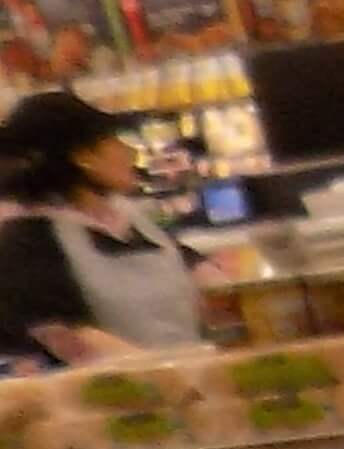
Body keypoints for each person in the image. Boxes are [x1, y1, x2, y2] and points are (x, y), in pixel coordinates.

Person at [0, 93, 205, 365]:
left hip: (192, 374)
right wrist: (164, 374)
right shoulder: (29, 239)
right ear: (83, 156)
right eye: (114, 141)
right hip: (115, 387)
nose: (130, 152)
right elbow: (61, 331)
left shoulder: (135, 223)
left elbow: (203, 276)